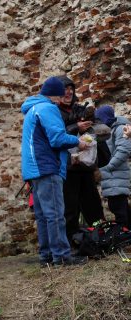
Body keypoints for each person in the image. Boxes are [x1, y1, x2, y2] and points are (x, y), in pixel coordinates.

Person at [21, 76, 91, 266]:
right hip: (46, 166)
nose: (64, 98)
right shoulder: (48, 108)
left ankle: (47, 256)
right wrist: (78, 142)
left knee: (43, 215)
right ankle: (61, 256)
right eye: (62, 94)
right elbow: (57, 138)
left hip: (34, 168)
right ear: (56, 95)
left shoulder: (32, 108)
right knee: (55, 214)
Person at [56, 75, 104, 242]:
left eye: (71, 88)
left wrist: (92, 124)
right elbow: (56, 135)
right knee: (70, 208)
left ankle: (100, 236)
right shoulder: (53, 111)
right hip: (68, 167)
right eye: (65, 89)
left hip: (86, 165)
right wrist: (76, 127)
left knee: (93, 204)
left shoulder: (79, 108)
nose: (68, 92)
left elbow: (99, 127)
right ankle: (71, 241)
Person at [95, 105, 131, 228]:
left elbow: (123, 150)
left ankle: (124, 239)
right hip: (112, 179)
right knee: (122, 209)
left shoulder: (120, 128)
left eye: (99, 119)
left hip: (116, 178)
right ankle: (127, 238)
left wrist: (107, 167)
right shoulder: (108, 130)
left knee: (119, 209)